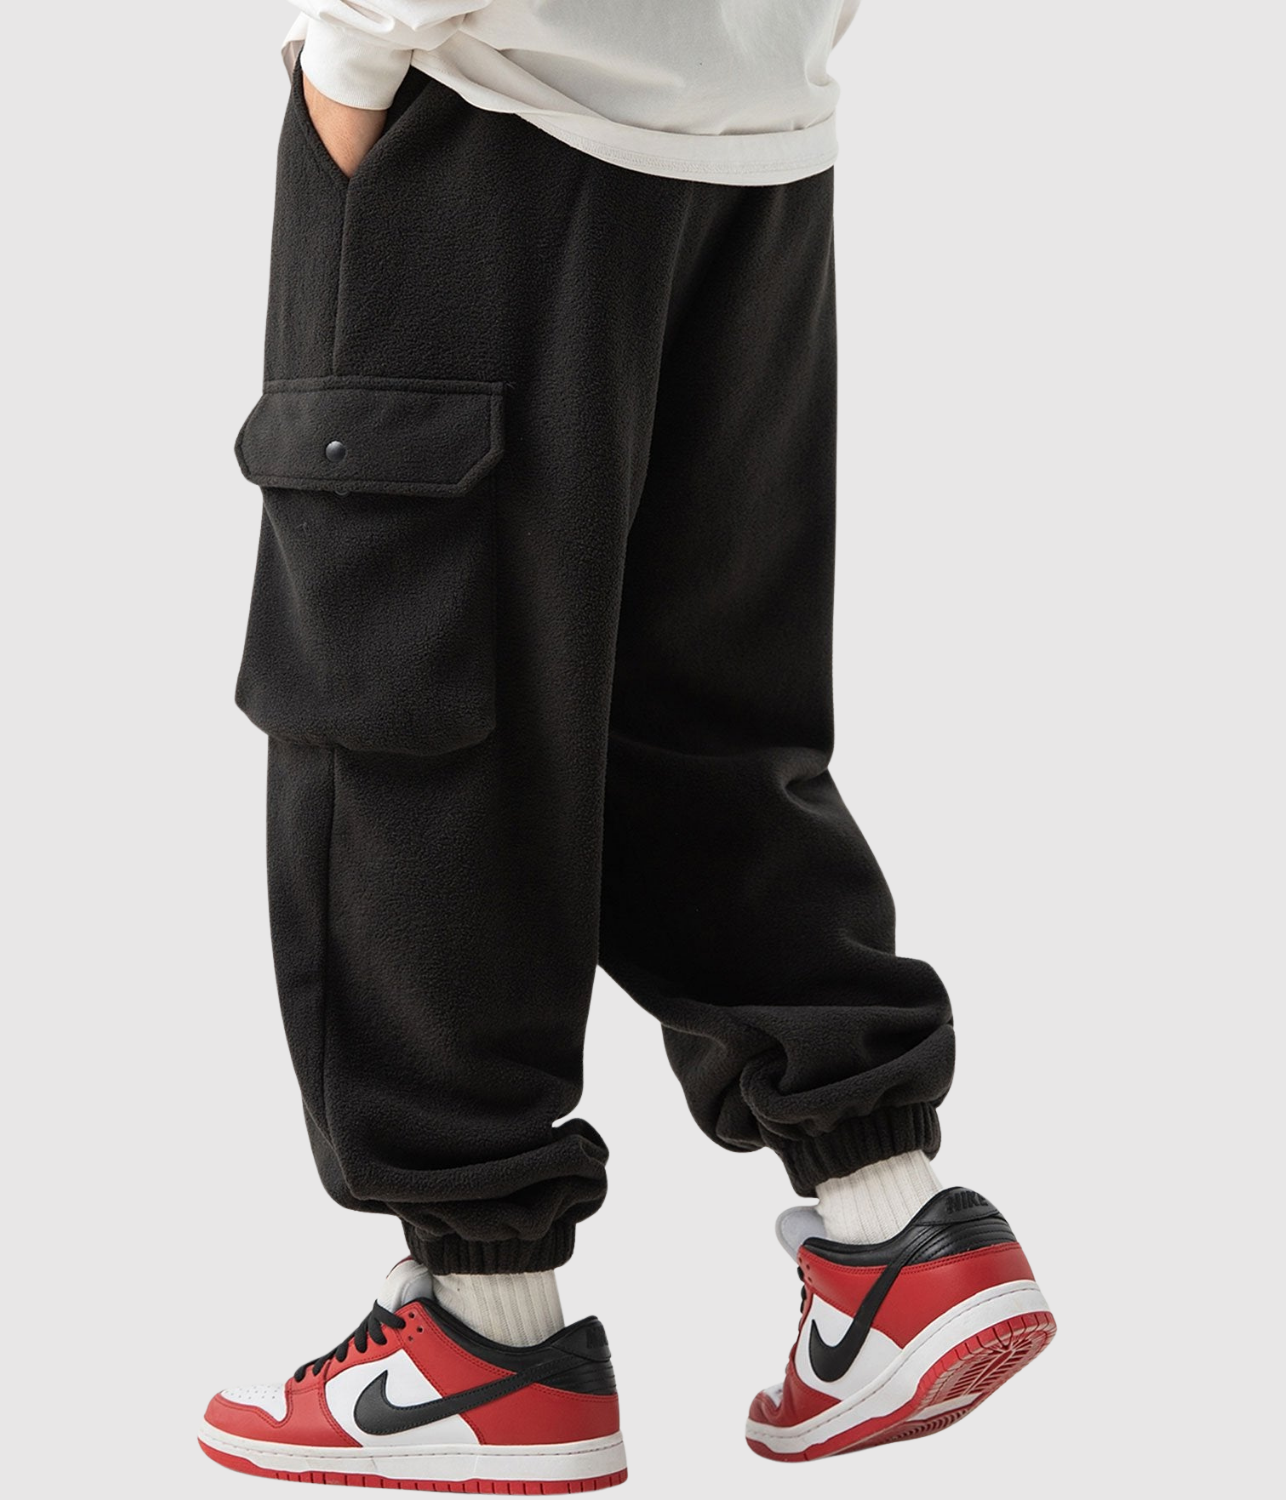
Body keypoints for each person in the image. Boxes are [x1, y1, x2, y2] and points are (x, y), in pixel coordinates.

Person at [199, 2, 1055, 1486]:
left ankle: (484, 1341)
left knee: (412, 731)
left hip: (493, 128)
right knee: (695, 722)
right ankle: (891, 1227)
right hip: (754, 136)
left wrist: (352, 52)